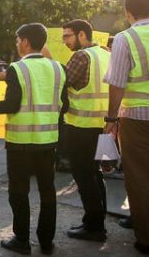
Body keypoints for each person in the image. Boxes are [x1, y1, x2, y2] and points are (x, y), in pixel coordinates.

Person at [0, 23, 67, 256]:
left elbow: (12, 104)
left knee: (19, 191)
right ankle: (46, 242)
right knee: (47, 191)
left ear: (25, 42)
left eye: (17, 41)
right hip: (48, 141)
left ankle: (22, 240)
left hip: (20, 142)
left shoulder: (17, 69)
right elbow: (65, 105)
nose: (17, 45)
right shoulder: (59, 68)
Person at [104, 0, 149, 255]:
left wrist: (111, 118)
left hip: (137, 117)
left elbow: (117, 83)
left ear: (128, 13)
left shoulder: (126, 38)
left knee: (140, 176)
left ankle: (145, 237)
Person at [60, 19, 109, 242]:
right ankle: (97, 221)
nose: (64, 41)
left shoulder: (81, 56)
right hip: (103, 125)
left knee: (84, 176)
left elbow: (63, 82)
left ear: (81, 35)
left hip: (81, 127)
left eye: (67, 36)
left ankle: (94, 226)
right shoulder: (106, 54)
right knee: (96, 173)